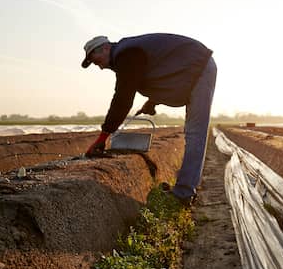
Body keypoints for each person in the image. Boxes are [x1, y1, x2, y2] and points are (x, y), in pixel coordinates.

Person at [81, 33, 217, 205]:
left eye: (97, 61)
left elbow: (123, 98)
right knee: (192, 132)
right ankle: (185, 188)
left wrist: (103, 137)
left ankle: (184, 194)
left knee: (195, 132)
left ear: (106, 48)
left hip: (198, 67)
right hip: (190, 68)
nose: (99, 67)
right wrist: (152, 102)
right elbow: (162, 68)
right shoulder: (127, 54)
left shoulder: (126, 55)